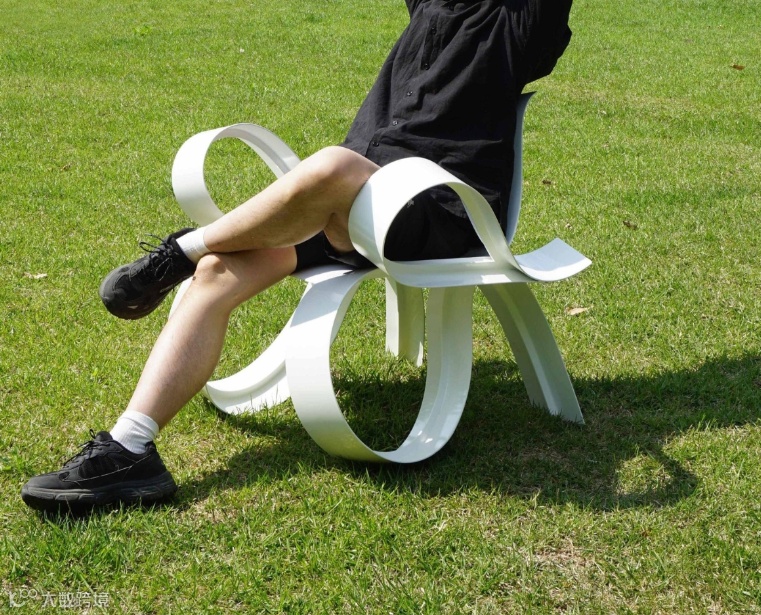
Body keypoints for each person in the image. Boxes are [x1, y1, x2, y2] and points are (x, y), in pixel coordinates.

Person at [21, 0, 574, 512]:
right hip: (352, 209)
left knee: (333, 166)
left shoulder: (519, 23)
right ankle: (130, 449)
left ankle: (183, 249)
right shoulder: (434, 6)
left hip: (442, 212)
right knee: (218, 272)